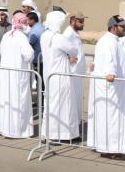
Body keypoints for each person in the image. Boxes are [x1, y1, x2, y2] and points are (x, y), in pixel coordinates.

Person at [87, 16, 125, 159]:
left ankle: (110, 147)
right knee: (112, 118)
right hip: (111, 87)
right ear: (114, 27)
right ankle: (110, 149)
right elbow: (110, 59)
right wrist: (111, 72)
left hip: (115, 87)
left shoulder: (112, 41)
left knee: (113, 118)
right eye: (122, 26)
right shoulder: (109, 41)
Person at [0, 12, 35, 138]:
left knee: (6, 100)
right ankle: (17, 130)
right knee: (18, 101)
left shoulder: (7, 35)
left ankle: (4, 127)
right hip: (18, 74)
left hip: (6, 73)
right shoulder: (21, 37)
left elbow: (1, 51)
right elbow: (29, 55)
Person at [40, 11, 79, 140]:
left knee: (49, 106)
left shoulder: (44, 35)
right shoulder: (58, 38)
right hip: (60, 75)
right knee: (63, 106)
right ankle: (60, 134)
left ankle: (47, 133)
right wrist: (68, 57)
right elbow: (74, 50)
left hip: (49, 74)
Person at [63, 12, 87, 132]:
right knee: (73, 100)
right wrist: (67, 59)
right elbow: (59, 48)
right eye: (80, 21)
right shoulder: (68, 33)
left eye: (83, 21)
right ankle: (72, 128)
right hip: (73, 72)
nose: (83, 24)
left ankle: (76, 125)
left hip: (78, 72)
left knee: (77, 99)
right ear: (72, 21)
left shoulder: (75, 33)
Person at [27, 11, 44, 90]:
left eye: (28, 20)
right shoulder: (42, 27)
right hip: (43, 58)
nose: (27, 22)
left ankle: (41, 100)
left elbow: (29, 44)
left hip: (38, 59)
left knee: (40, 80)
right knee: (43, 79)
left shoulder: (34, 31)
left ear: (33, 20)